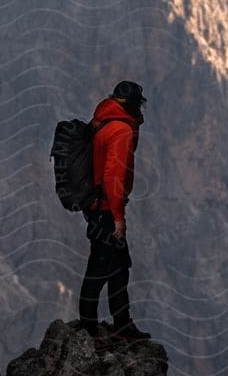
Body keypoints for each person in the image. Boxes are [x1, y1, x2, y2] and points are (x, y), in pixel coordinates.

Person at [77, 80, 151, 342]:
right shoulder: (120, 130)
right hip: (107, 211)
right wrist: (118, 218)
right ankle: (88, 328)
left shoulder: (104, 119)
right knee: (99, 268)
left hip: (98, 206)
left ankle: (122, 323)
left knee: (119, 267)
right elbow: (114, 176)